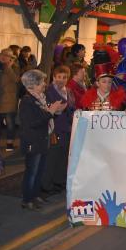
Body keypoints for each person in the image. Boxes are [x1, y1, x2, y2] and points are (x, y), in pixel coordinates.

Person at [19, 70, 67, 210]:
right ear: (32, 85)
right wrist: (50, 112)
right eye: (41, 83)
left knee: (40, 170)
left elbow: (45, 117)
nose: (44, 85)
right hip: (33, 141)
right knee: (31, 171)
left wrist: (56, 110)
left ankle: (35, 196)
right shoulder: (27, 101)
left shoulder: (40, 98)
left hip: (43, 138)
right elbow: (33, 123)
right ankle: (27, 199)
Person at [42, 65, 75, 194]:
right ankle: (46, 184)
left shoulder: (69, 91)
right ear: (54, 77)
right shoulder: (48, 91)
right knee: (52, 158)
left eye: (65, 77)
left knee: (63, 157)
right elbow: (49, 110)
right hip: (54, 129)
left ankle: (59, 181)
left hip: (67, 127)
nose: (62, 80)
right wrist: (60, 109)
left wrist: (70, 110)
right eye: (59, 77)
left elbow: (71, 106)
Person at [0, 48, 19, 152]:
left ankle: (9, 144)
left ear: (11, 58)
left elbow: (16, 79)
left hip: (8, 100)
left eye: (7, 55)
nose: (3, 56)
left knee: (10, 124)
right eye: (2, 54)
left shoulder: (14, 67)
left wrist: (8, 68)